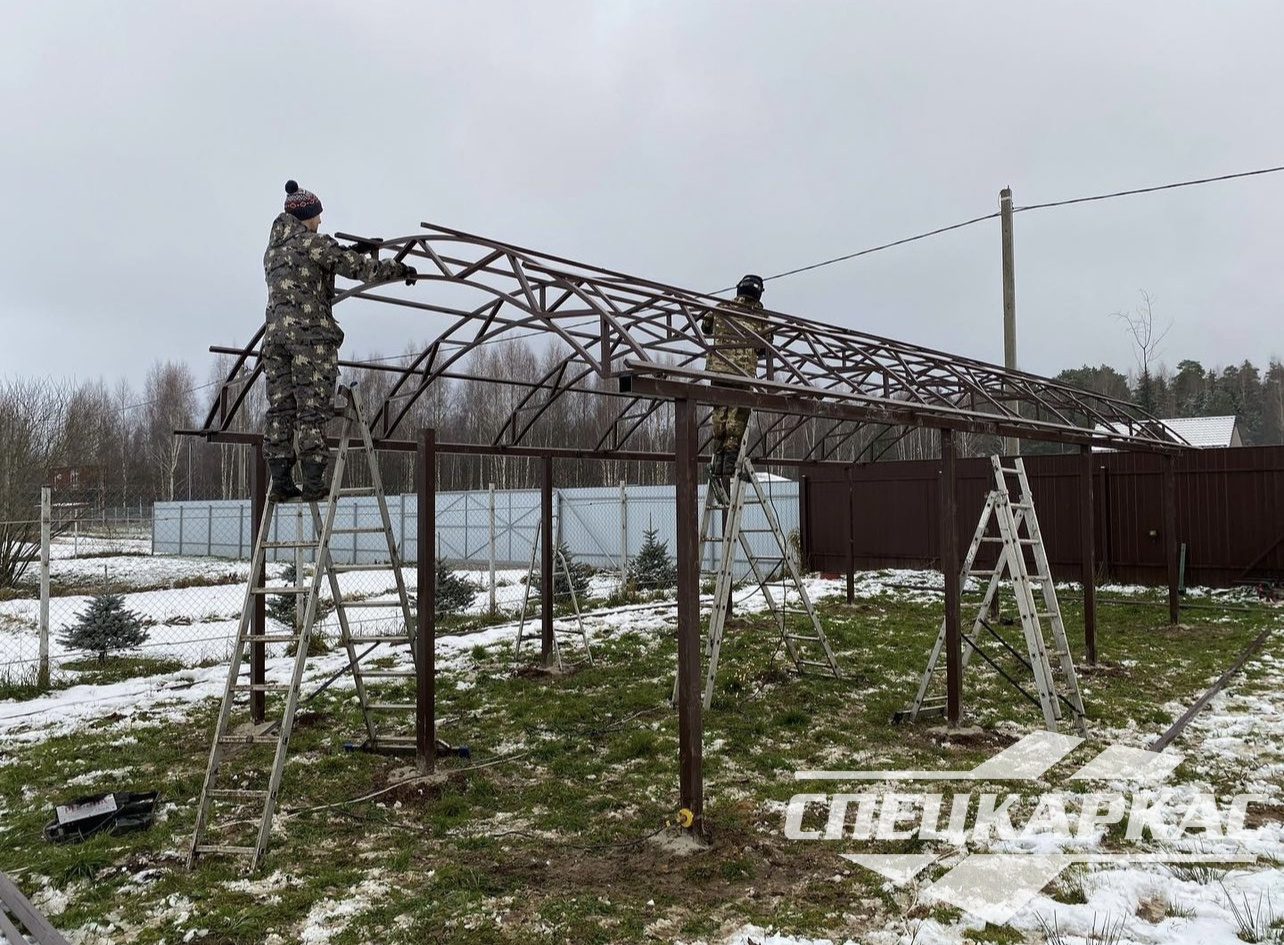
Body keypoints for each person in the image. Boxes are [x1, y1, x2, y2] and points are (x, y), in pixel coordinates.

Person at [261, 180, 417, 502]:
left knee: (281, 409)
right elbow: (358, 268)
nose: (320, 221)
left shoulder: (273, 251)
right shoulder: (312, 244)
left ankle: (280, 482)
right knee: (312, 408)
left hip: (275, 340)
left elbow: (314, 267)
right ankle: (313, 482)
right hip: (309, 341)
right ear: (306, 216)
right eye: (317, 215)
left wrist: (345, 250)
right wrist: (399, 270)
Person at [702, 273, 771, 478]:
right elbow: (766, 346)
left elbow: (705, 327)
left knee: (719, 412)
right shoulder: (760, 316)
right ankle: (728, 466)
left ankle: (718, 461)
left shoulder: (722, 306)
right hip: (742, 373)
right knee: (737, 416)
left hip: (718, 370)